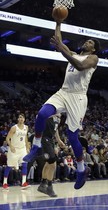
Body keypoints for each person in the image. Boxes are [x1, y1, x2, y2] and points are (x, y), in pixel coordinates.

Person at [23, 18, 100, 190]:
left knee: (72, 137)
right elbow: (59, 42)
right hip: (63, 92)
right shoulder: (73, 53)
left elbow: (80, 66)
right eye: (86, 41)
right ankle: (35, 146)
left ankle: (81, 169)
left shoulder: (93, 58)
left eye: (90, 42)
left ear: (93, 48)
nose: (86, 43)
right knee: (42, 114)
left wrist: (64, 51)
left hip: (78, 98)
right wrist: (58, 23)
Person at [37, 114, 65, 197]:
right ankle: (49, 187)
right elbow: (40, 116)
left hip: (51, 140)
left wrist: (59, 140)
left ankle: (43, 184)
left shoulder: (58, 117)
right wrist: (52, 114)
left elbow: (55, 130)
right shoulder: (48, 112)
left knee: (49, 163)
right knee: (53, 164)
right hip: (44, 138)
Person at [2, 113, 30, 191]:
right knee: (9, 166)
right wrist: (11, 146)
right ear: (18, 119)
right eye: (20, 117)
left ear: (24, 119)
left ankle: (24, 183)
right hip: (14, 149)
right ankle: (4, 183)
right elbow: (7, 138)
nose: (21, 119)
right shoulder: (14, 128)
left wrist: (27, 147)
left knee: (25, 164)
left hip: (22, 149)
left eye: (22, 118)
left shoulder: (26, 127)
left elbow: (25, 138)